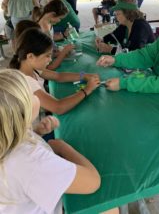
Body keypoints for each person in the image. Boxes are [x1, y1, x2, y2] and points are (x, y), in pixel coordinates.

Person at [0, 69, 100, 213]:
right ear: (23, 111)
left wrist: (37, 132)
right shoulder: (30, 160)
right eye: (31, 94)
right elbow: (92, 182)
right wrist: (60, 146)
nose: (37, 96)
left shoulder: (9, 134)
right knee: (108, 208)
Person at [9, 28, 100, 115]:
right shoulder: (26, 81)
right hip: (36, 125)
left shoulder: (31, 67)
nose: (50, 59)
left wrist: (84, 75)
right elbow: (58, 107)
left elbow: (58, 76)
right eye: (47, 56)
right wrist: (87, 89)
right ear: (30, 56)